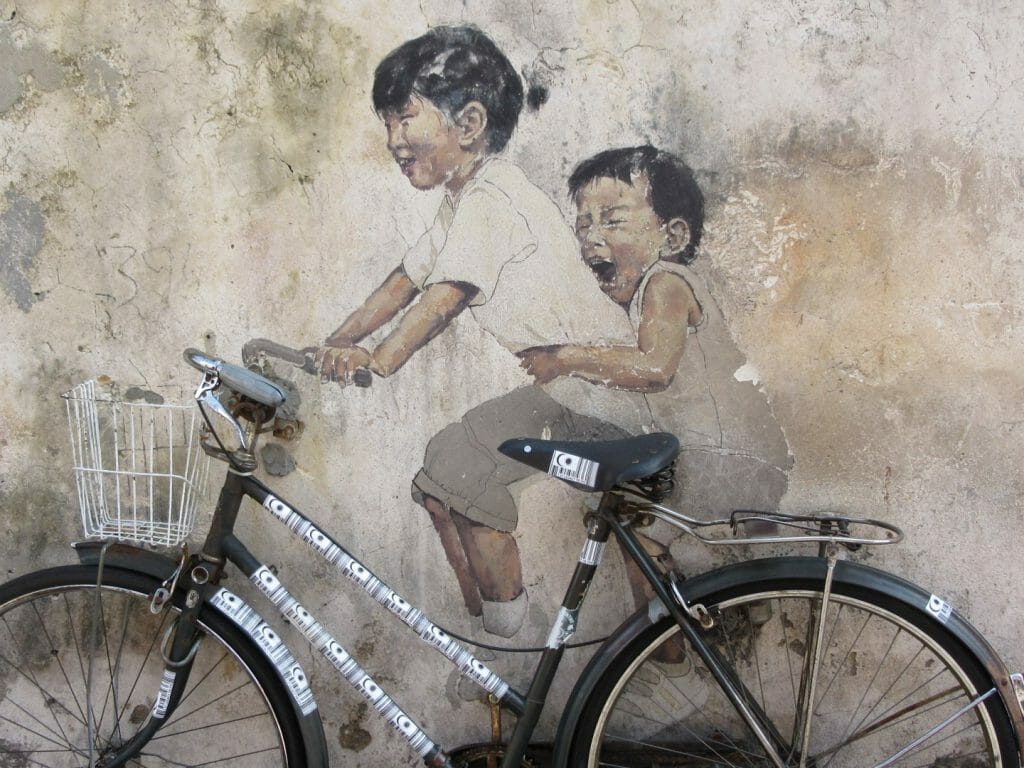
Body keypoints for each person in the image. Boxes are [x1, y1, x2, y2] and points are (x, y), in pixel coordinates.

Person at [317, 26, 639, 637]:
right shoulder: (463, 200)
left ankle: (507, 637)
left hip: (598, 394)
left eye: (405, 118)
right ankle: (491, 628)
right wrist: (332, 341)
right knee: (442, 475)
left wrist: (379, 360)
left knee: (462, 471)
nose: (392, 140)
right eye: (387, 123)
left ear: (467, 124)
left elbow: (443, 299)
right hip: (568, 392)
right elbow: (403, 282)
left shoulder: (496, 197)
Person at [519, 145, 793, 606]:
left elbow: (654, 368)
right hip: (725, 456)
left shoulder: (665, 281)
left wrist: (567, 357)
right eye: (584, 224)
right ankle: (733, 612)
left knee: (639, 527)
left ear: (673, 236)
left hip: (730, 459)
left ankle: (666, 662)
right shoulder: (645, 294)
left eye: (613, 220)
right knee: (642, 518)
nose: (591, 237)